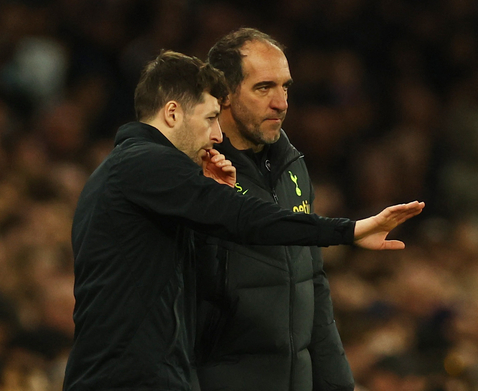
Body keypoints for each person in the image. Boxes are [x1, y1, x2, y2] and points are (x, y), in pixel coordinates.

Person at [62, 50, 424, 391]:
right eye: (208, 119)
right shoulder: (145, 162)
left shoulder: (127, 171)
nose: (217, 136)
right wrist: (350, 230)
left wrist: (218, 195)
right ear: (172, 114)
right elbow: (250, 219)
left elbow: (203, 274)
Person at [193, 28, 391, 391]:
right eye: (264, 88)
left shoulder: (291, 164)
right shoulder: (191, 171)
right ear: (223, 95)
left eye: (285, 87)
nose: (281, 103)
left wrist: (336, 384)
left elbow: (311, 282)